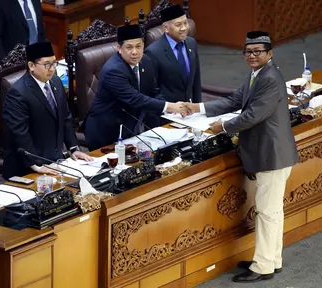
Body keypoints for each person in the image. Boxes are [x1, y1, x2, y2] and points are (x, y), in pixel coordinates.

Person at [184, 31, 299, 283]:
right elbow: (236, 100)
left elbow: (253, 115)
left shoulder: (269, 78)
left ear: (270, 53)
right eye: (248, 51)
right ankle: (272, 259)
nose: (252, 56)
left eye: (258, 51)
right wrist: (199, 108)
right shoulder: (259, 74)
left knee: (268, 213)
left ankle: (263, 266)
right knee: (273, 212)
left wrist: (223, 127)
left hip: (272, 155)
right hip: (272, 153)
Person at [84, 24, 187, 151]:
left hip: (130, 130)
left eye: (138, 46)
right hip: (106, 133)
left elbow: (153, 92)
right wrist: (169, 106)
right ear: (119, 48)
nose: (135, 52)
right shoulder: (113, 70)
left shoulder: (146, 61)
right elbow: (135, 99)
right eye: (129, 47)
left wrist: (171, 110)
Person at [3, 41, 92, 179]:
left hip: (54, 163)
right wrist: (37, 164)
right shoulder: (18, 93)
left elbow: (66, 118)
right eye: (46, 65)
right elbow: (20, 133)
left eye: (54, 63)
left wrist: (73, 148)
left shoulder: (56, 82)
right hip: (27, 169)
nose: (52, 69)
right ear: (31, 66)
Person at [145, 4, 201, 104]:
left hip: (190, 110)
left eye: (185, 23)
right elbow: (152, 90)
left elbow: (196, 80)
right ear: (166, 28)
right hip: (166, 114)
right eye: (178, 25)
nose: (184, 28)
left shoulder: (191, 43)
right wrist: (170, 108)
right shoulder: (153, 52)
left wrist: (198, 108)